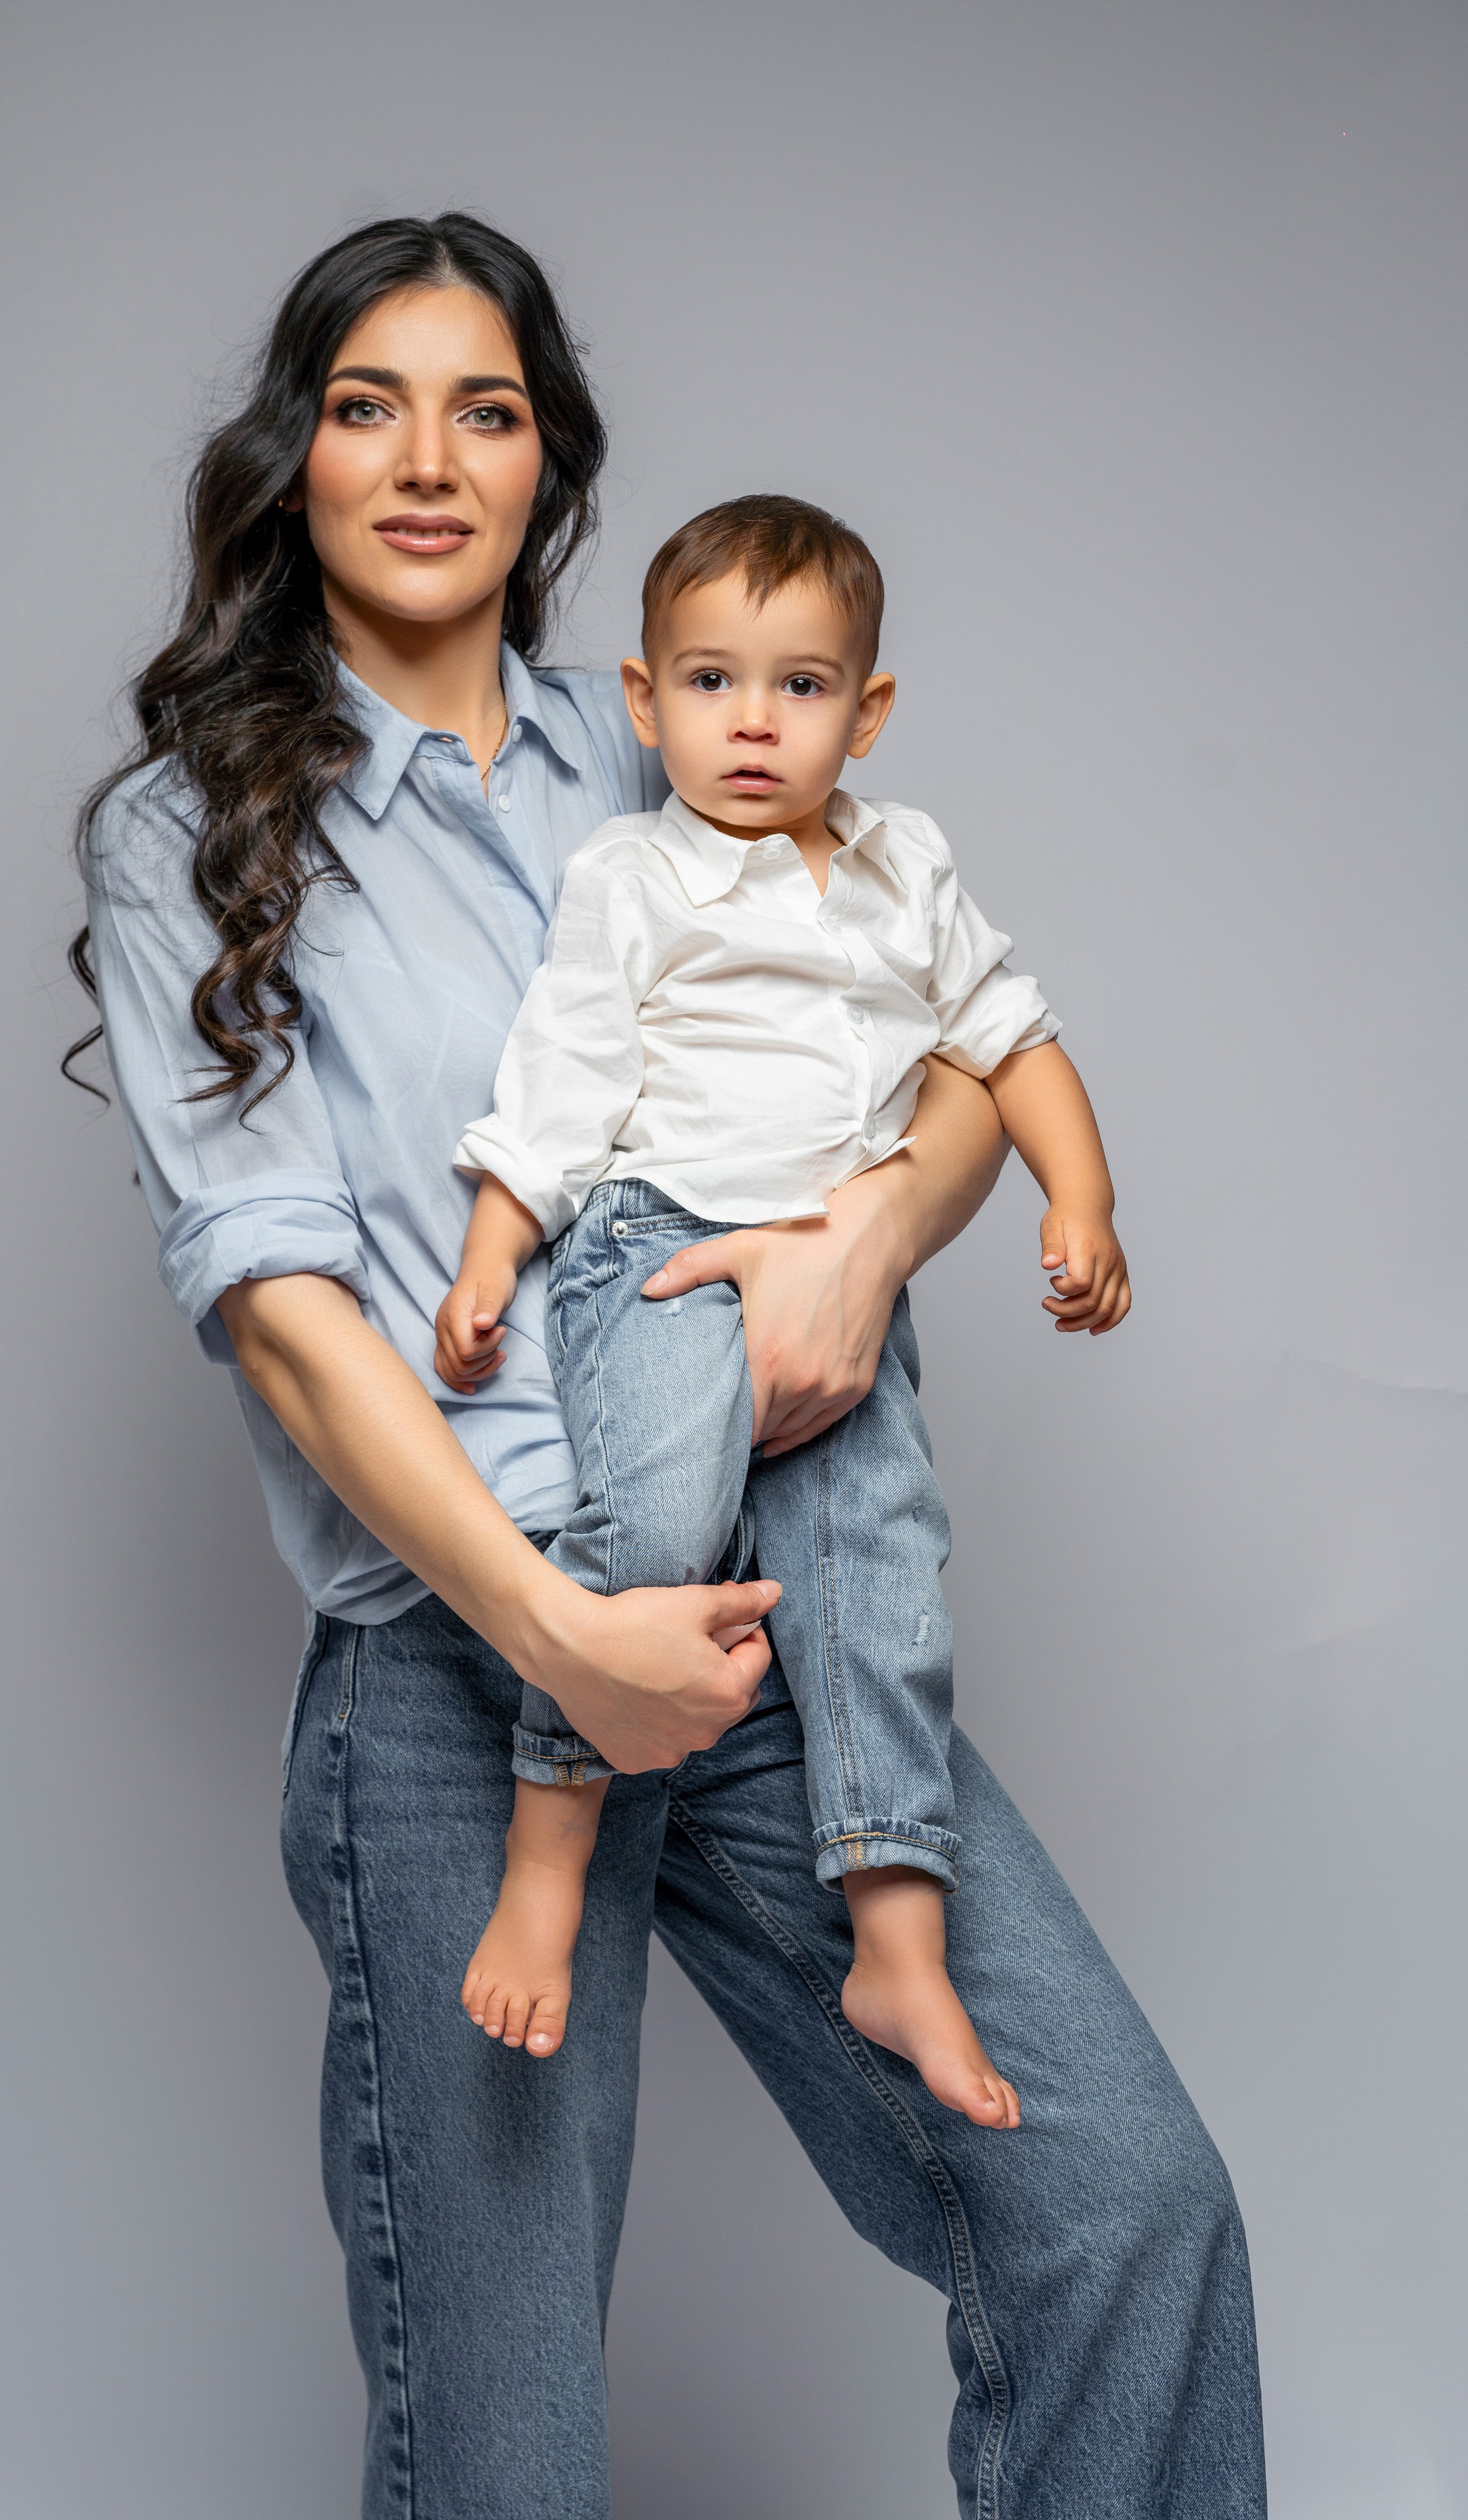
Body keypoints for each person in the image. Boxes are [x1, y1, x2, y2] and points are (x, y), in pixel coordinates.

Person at [73, 211, 1265, 2519]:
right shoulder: (190, 844)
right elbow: (294, 1327)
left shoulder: (686, 744)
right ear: (291, 456)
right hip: (460, 1660)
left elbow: (945, 1056)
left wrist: (869, 1244)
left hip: (762, 1608)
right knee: (508, 2453)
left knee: (1121, 2209)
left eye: (489, 409)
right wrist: (556, 1640)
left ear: (549, 471)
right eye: (366, 404)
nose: (430, 461)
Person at [438, 493, 1129, 2121]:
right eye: (707, 682)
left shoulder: (906, 869)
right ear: (641, 698)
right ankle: (549, 1850)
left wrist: (1079, 1199)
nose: (751, 722)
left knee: (877, 1586)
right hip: (659, 1248)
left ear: (865, 711)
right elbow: (560, 1077)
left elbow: (1012, 1039)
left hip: (838, 1279)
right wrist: (491, 1248)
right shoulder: (633, 872)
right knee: (660, 1523)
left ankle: (897, 1946)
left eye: (800, 687)